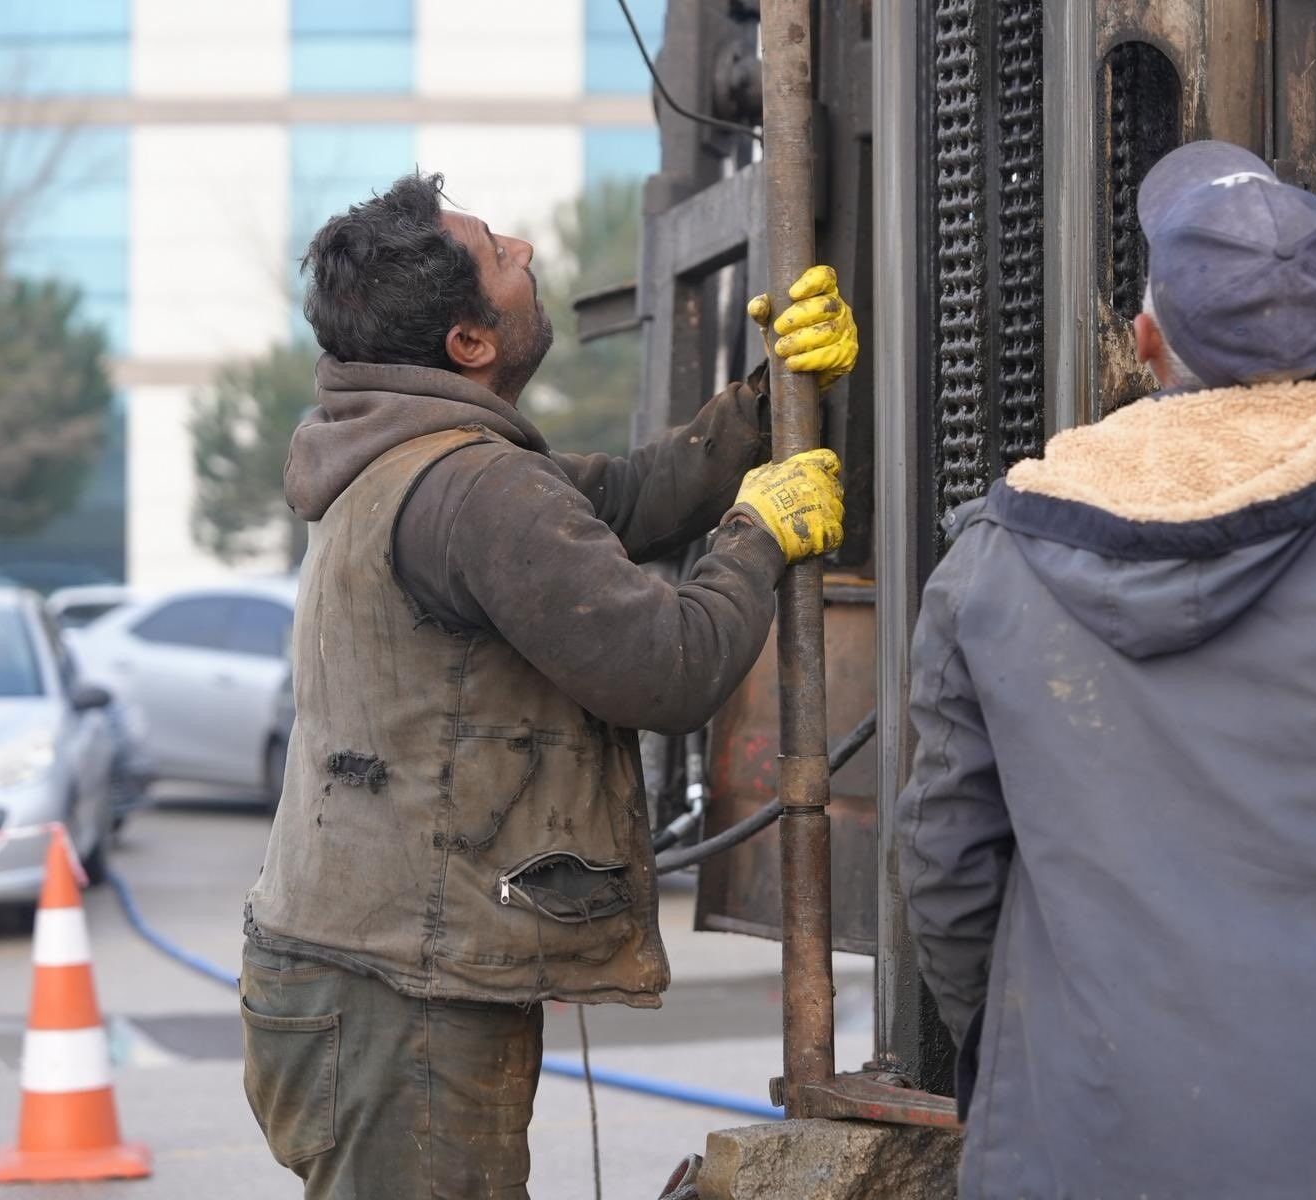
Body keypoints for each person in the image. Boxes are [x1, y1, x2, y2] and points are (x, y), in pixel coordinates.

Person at [896, 140, 1316, 1199]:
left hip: (1081, 1147)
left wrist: (1028, 1058)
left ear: (1145, 341)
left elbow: (945, 869)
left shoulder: (994, 562)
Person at [239, 171, 856, 1199]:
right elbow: (669, 666)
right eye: (498, 252)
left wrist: (771, 402)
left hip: (366, 977)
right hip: (403, 996)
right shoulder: (474, 485)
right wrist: (759, 536)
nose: (523, 249)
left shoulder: (405, 457)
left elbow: (628, 500)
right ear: (468, 344)